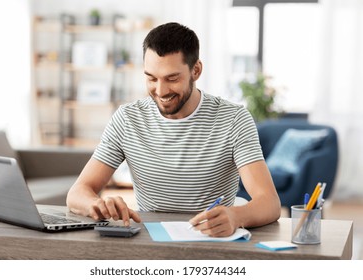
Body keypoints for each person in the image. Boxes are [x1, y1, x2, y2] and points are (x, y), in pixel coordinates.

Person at [66, 22, 281, 237]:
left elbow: (269, 202)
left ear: (196, 70)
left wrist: (236, 216)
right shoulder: (127, 119)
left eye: (172, 78)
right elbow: (77, 193)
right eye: (151, 78)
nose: (160, 90)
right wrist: (98, 204)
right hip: (150, 240)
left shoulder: (234, 119)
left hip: (211, 241)